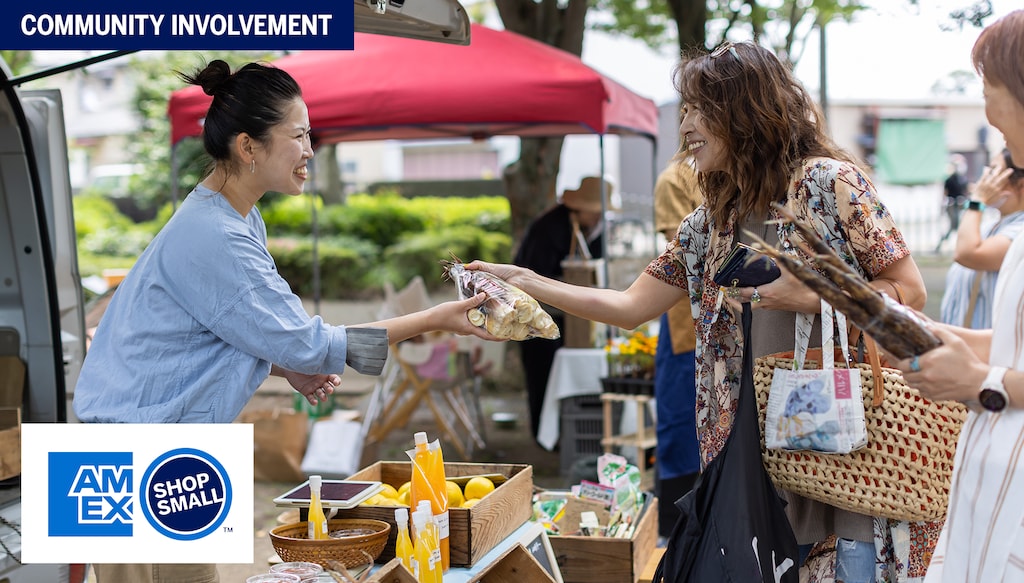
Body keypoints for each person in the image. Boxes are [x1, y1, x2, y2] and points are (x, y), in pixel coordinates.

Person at [468, 41, 929, 582]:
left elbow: (908, 290)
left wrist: (813, 296)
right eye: (683, 109)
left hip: (845, 440)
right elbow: (628, 306)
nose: (684, 126)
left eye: (698, 109)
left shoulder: (830, 186)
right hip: (753, 456)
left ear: (745, 111)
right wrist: (526, 280)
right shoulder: (707, 224)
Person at [73, 60, 494, 583]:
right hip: (129, 457)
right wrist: (436, 319)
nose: (310, 151)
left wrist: (284, 363)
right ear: (249, 147)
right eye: (298, 135)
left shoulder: (236, 217)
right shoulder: (217, 235)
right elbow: (311, 343)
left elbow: (232, 330)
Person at [890, 10, 1024, 582]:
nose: (992, 120)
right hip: (993, 483)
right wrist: (945, 339)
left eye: (992, 94)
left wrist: (978, 382)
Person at [512, 175, 611, 441]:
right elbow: (531, 277)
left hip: (576, 318)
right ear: (580, 208)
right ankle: (544, 438)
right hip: (536, 316)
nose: (598, 217)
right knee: (541, 374)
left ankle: (567, 434)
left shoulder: (596, 229)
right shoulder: (549, 228)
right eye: (595, 212)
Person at [651, 162, 701, 539]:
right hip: (688, 321)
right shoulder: (676, 180)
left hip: (741, 319)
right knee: (681, 419)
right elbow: (684, 257)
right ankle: (678, 528)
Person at [940, 147, 1024, 329]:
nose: (984, 179)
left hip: (987, 353)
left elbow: (967, 253)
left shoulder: (1020, 232)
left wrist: (977, 201)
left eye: (994, 171)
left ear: (1021, 184)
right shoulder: (993, 225)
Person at [935, 154, 969, 252]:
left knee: (960, 225)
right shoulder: (949, 180)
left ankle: (963, 245)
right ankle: (941, 244)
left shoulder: (963, 179)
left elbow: (966, 190)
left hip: (961, 204)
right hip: (952, 204)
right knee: (953, 225)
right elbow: (945, 192)